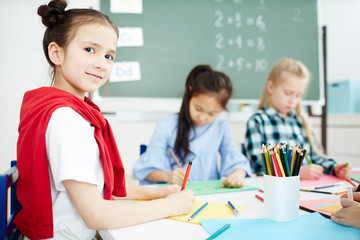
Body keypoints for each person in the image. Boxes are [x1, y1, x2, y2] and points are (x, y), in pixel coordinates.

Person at [15, 1, 194, 239]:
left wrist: (150, 193)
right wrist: (170, 207)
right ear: (56, 53)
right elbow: (95, 214)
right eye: (90, 50)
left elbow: (93, 189)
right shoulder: (65, 118)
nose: (102, 64)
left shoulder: (70, 112)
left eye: (109, 55)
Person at [133, 65, 252, 186]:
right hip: (173, 196)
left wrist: (238, 174)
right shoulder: (166, 126)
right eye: (198, 108)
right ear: (190, 93)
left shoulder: (221, 127)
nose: (202, 117)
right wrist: (168, 176)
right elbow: (145, 171)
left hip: (209, 196)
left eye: (212, 113)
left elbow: (235, 160)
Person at [244, 58, 351, 180]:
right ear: (271, 87)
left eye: (298, 95)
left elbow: (316, 156)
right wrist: (296, 171)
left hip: (308, 187)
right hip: (274, 188)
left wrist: (334, 168)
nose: (293, 100)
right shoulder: (258, 121)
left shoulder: (299, 121)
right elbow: (257, 163)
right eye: (288, 93)